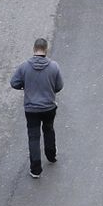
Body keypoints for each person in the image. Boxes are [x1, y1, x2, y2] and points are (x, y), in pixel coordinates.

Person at [9, 37, 62, 178]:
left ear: (34, 49)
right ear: (46, 49)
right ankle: (51, 155)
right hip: (49, 106)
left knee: (33, 137)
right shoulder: (54, 66)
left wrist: (25, 85)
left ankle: (36, 169)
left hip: (31, 108)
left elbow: (14, 83)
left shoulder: (24, 66)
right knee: (49, 129)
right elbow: (59, 86)